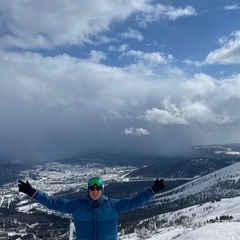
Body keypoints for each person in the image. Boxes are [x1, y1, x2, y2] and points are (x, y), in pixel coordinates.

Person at [18, 177, 165, 240]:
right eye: (92, 188)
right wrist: (33, 192)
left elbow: (136, 201)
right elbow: (53, 202)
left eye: (98, 188)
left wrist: (153, 190)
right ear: (88, 190)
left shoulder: (114, 205)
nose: (95, 191)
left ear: (102, 190)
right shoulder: (77, 205)